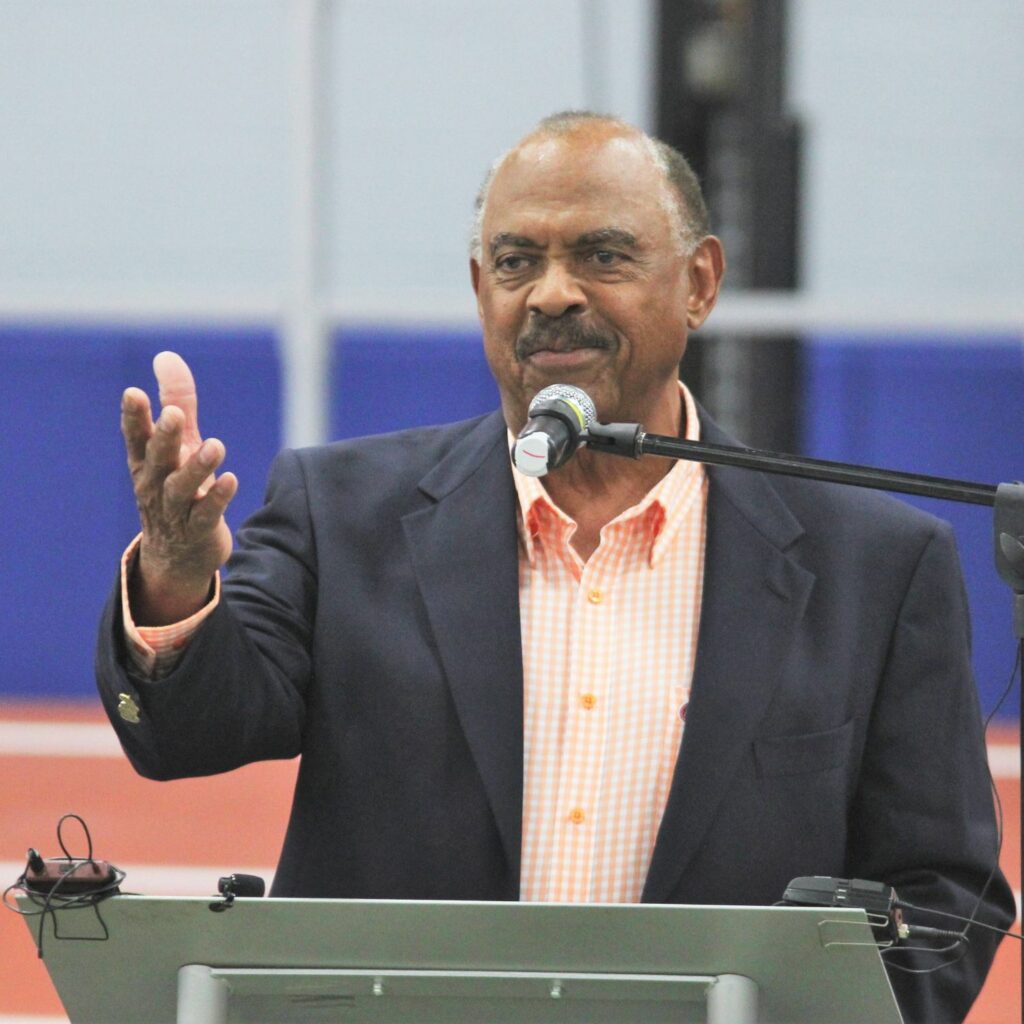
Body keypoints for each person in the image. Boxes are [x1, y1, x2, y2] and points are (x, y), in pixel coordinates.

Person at [97, 112, 1014, 1022]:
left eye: (602, 256)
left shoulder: (878, 567)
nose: (550, 294)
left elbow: (944, 902)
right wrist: (176, 577)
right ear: (478, 288)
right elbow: (189, 734)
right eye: (515, 262)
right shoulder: (339, 512)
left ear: (699, 283)